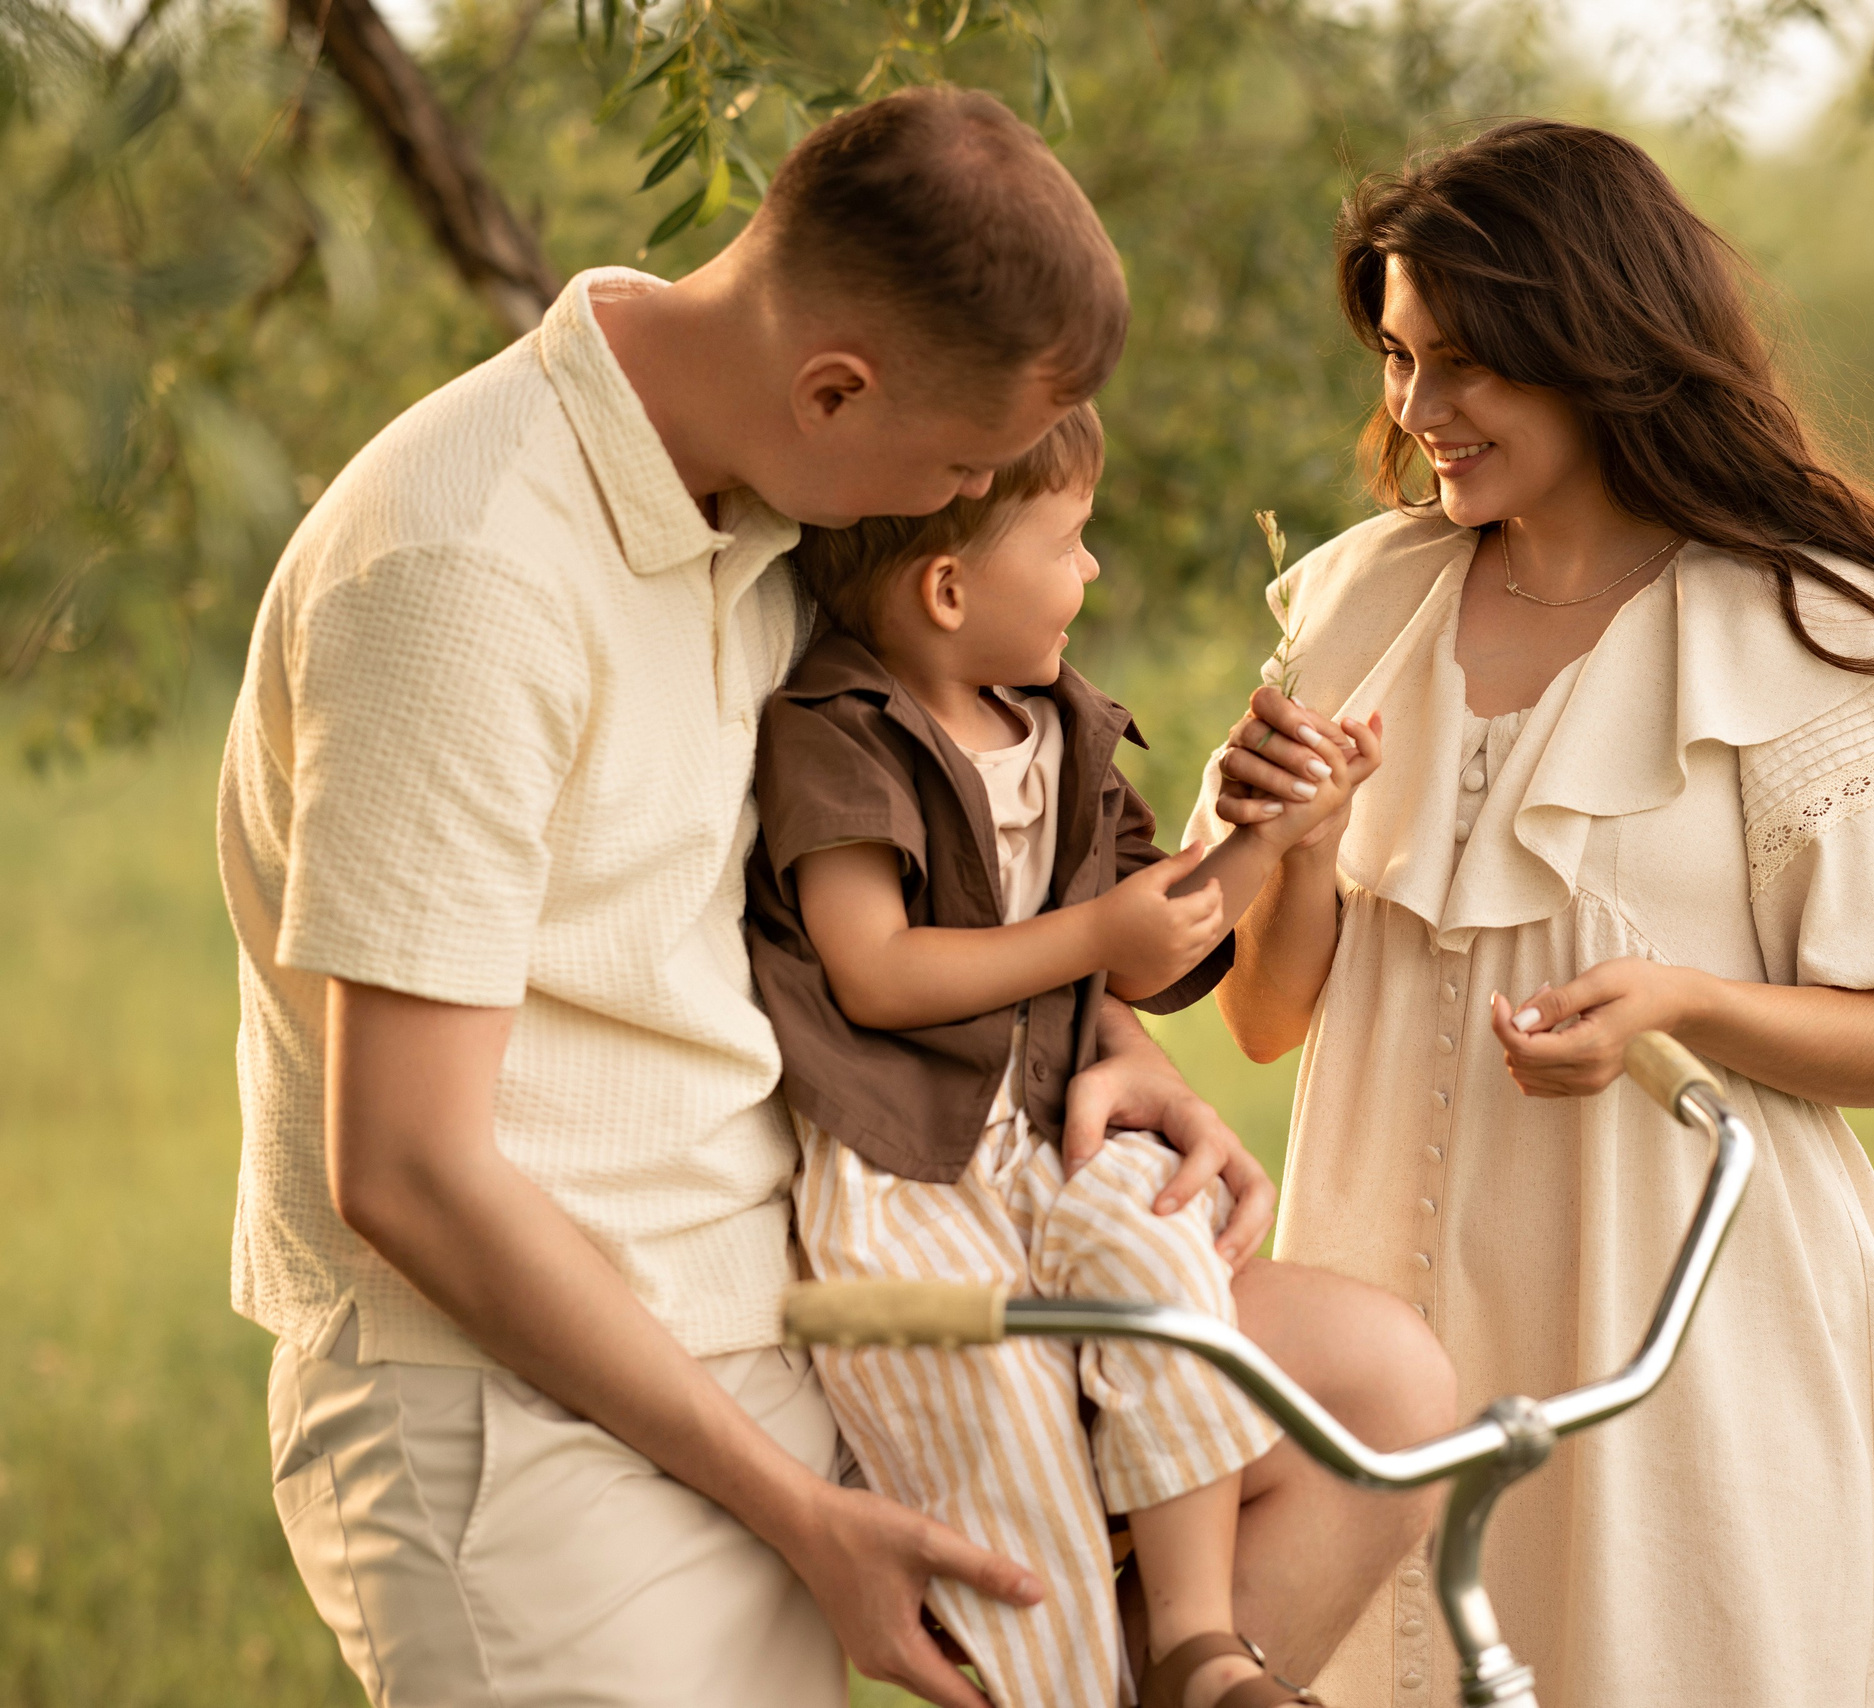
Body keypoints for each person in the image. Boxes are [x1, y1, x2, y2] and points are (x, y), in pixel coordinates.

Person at [218, 85, 1448, 1708]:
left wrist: (1108, 1057)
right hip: (526, 1412)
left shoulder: (761, 498)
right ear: (836, 388)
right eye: (951, 464)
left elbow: (893, 877)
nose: (942, 516)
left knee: (1371, 1393)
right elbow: (409, 1168)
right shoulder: (464, 576)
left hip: (803, 1286)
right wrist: (797, 1512)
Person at [1197, 120, 1874, 1707]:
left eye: (1468, 364)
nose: (1418, 412)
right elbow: (1266, 1022)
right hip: (1377, 1328)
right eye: (1398, 358)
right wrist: (1301, 850)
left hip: (1676, 1330)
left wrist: (1684, 1005)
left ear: (1592, 346)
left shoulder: (1797, 627)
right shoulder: (1362, 602)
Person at [744, 400, 1383, 1708]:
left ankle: (1202, 1646)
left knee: (1166, 1262)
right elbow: (874, 971)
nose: (1090, 573)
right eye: (1071, 542)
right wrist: (1087, 928)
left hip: (1050, 1138)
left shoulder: (1060, 726)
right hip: (908, 1172)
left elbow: (1147, 954)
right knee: (1009, 1445)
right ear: (946, 585)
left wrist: (1275, 834)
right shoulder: (841, 728)